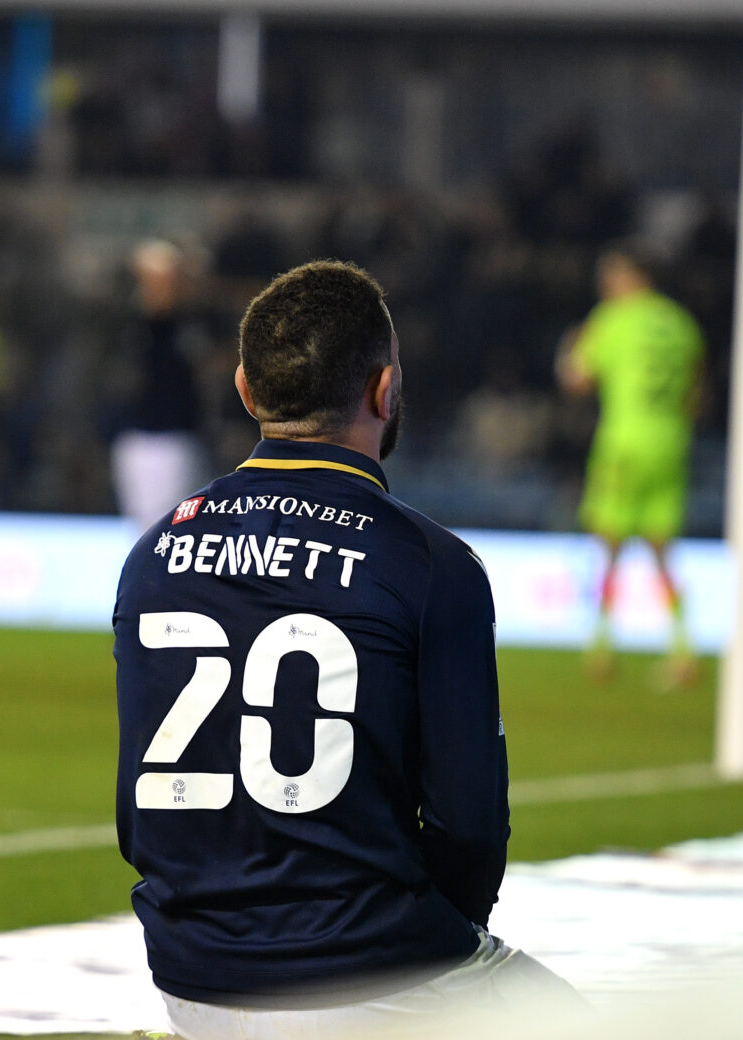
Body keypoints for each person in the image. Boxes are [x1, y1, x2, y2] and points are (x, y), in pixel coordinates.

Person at [113, 261, 580, 1039]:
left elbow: (139, 817)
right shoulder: (430, 564)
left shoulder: (154, 552)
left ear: (246, 391)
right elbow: (469, 829)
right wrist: (423, 944)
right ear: (384, 389)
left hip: (190, 978)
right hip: (373, 972)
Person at [556, 246, 703, 689]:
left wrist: (571, 346)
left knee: (610, 543)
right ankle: (682, 648)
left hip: (624, 440)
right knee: (662, 547)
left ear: (631, 277)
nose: (605, 286)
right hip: (671, 442)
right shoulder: (681, 324)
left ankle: (601, 646)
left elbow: (577, 380)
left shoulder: (613, 319)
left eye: (611, 276)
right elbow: (696, 395)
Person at [110, 238, 210, 525]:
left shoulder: (191, 323)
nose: (162, 288)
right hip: (137, 438)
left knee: (176, 526)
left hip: (179, 438)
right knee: (145, 528)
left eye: (169, 280)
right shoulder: (127, 324)